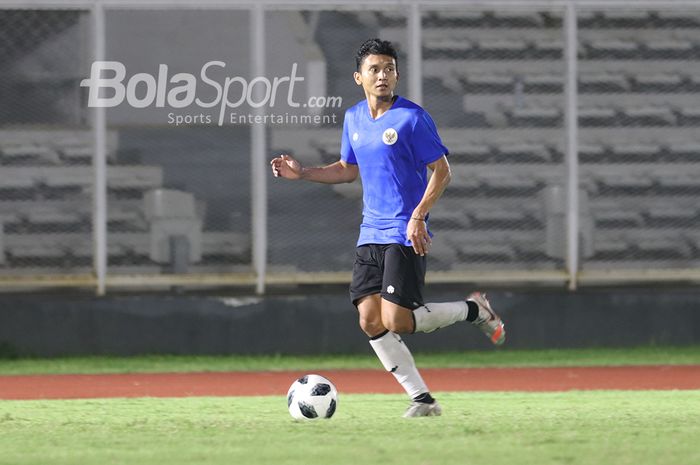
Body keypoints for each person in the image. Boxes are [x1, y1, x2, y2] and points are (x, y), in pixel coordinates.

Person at [270, 38, 505, 418]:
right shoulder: (353, 118)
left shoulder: (412, 118)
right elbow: (347, 170)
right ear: (358, 77)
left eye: (389, 69)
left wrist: (418, 216)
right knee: (369, 319)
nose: (383, 75)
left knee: (398, 320)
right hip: (370, 234)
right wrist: (304, 173)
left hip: (403, 232)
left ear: (396, 75)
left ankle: (474, 310)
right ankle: (423, 400)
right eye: (375, 69)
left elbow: (442, 171)